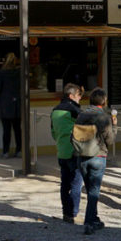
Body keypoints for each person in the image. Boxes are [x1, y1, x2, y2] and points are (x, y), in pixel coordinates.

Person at [72, 88, 116, 235]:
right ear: (103, 102)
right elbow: (110, 140)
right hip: (98, 157)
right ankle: (89, 222)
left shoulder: (81, 115)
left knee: (91, 189)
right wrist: (114, 125)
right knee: (94, 191)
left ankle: (94, 218)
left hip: (82, 157)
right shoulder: (104, 117)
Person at [51, 84, 84, 223]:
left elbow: (53, 132)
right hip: (75, 151)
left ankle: (66, 213)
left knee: (64, 184)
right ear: (71, 96)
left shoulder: (54, 110)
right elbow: (84, 130)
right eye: (78, 95)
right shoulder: (75, 110)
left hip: (61, 151)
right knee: (76, 184)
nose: (80, 98)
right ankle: (74, 213)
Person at [0, 53, 22, 158]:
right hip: (17, 104)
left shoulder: (1, 73)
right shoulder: (18, 72)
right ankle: (19, 150)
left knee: (6, 130)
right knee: (17, 129)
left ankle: (5, 152)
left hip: (5, 104)